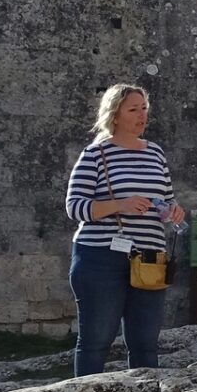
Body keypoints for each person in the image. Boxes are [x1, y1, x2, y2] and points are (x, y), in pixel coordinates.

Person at [63, 83, 186, 376]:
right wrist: (120, 204)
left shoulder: (156, 153)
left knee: (146, 343)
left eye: (144, 108)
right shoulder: (95, 154)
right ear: (115, 115)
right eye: (133, 109)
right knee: (96, 341)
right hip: (100, 257)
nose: (142, 115)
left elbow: (166, 198)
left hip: (149, 258)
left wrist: (173, 211)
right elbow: (75, 207)